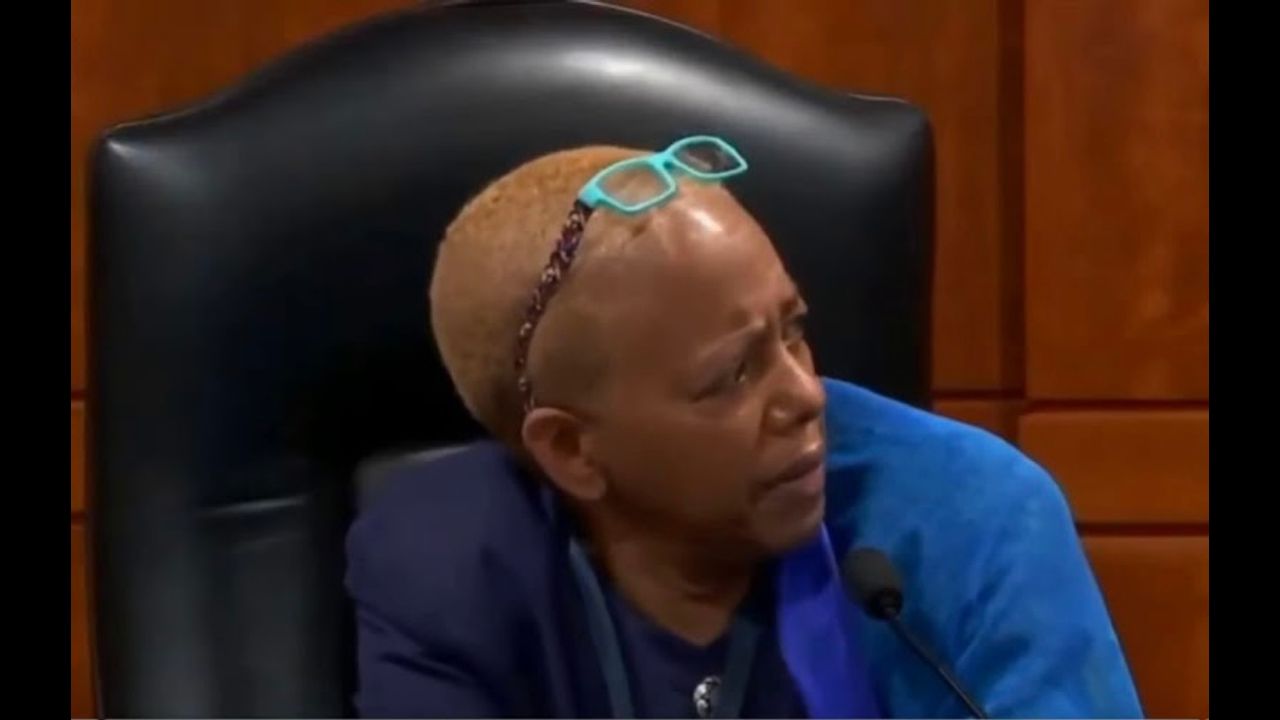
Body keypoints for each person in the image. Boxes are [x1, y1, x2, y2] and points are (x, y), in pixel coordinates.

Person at [345, 137, 1143, 718]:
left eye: (792, 331)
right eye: (731, 376)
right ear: (572, 449)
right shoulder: (446, 564)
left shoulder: (969, 519)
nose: (804, 396)